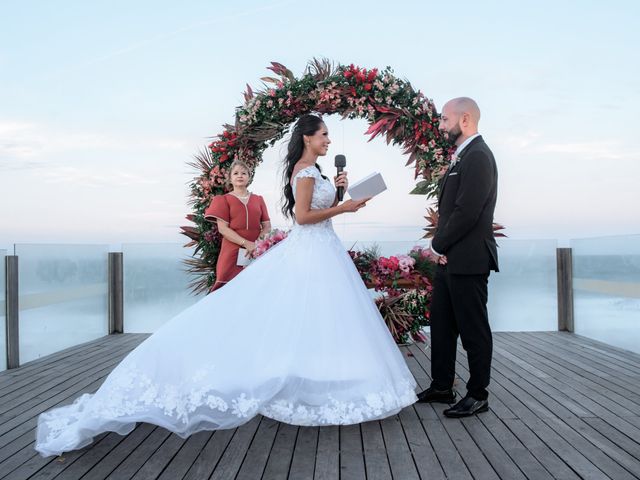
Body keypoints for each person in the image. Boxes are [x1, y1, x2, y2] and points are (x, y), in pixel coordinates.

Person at [35, 114, 417, 457]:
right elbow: (303, 218)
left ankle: (317, 378)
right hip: (311, 252)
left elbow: (318, 212)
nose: (328, 140)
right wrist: (342, 208)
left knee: (320, 318)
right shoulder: (302, 171)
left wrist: (339, 190)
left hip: (324, 252)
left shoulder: (314, 172)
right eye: (324, 135)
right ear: (307, 138)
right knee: (302, 312)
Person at [417, 97, 499, 418]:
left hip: (468, 260)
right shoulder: (462, 157)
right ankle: (441, 385)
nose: (440, 125)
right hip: (450, 259)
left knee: (473, 329)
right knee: (442, 323)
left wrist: (438, 246)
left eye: (444, 119)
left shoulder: (478, 156)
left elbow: (467, 212)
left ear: (465, 119)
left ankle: (478, 394)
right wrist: (443, 251)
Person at [204, 160, 271, 290]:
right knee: (226, 287)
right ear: (230, 178)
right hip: (232, 251)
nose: (240, 176)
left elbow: (267, 226)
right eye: (236, 173)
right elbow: (222, 229)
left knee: (254, 288)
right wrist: (246, 244)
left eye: (244, 173)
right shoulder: (223, 200)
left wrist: (257, 245)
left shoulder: (259, 199)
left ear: (249, 177)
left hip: (256, 251)